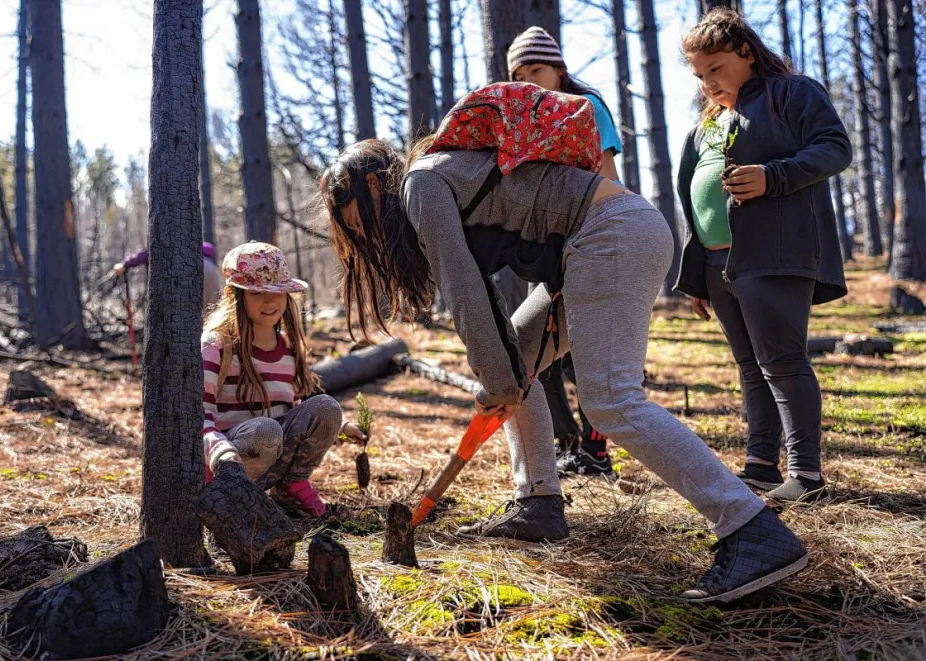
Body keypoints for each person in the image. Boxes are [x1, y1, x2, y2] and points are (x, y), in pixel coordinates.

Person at [317, 137, 809, 603]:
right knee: (516, 363)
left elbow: (464, 291)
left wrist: (497, 380)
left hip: (612, 232)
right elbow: (481, 294)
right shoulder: (434, 181)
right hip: (592, 242)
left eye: (358, 220)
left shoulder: (420, 184)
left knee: (610, 399)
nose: (365, 234)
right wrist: (502, 376)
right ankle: (538, 502)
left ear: (375, 185)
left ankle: (750, 528)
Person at [676, 9, 852, 502]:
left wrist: (773, 176)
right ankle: (761, 466)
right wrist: (693, 275)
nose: (708, 82)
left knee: (783, 361)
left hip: (775, 251)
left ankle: (807, 476)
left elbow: (835, 147)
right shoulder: (708, 122)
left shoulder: (792, 93)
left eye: (716, 68)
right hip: (717, 262)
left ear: (746, 53)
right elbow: (695, 198)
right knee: (750, 366)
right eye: (699, 75)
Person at [507, 25, 625, 479]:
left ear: (558, 69)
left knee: (591, 352)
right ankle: (569, 445)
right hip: (548, 248)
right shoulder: (525, 118)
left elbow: (609, 173)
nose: (529, 81)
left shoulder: (586, 106)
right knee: (538, 352)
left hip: (592, 240)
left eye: (536, 69)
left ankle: (595, 451)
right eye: (520, 74)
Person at [201, 242, 366, 517]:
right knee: (266, 430)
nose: (270, 302)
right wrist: (221, 455)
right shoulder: (217, 346)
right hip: (227, 467)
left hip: (271, 460)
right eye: (257, 293)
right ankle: (232, 502)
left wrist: (341, 426)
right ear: (235, 296)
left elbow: (294, 412)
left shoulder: (288, 348)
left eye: (277, 292)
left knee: (326, 407)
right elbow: (200, 418)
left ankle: (292, 486)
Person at [113, 241, 223, 314]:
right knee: (209, 313)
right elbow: (210, 249)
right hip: (211, 271)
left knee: (191, 315)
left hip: (193, 272)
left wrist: (125, 264)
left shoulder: (167, 243)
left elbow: (144, 254)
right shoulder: (194, 245)